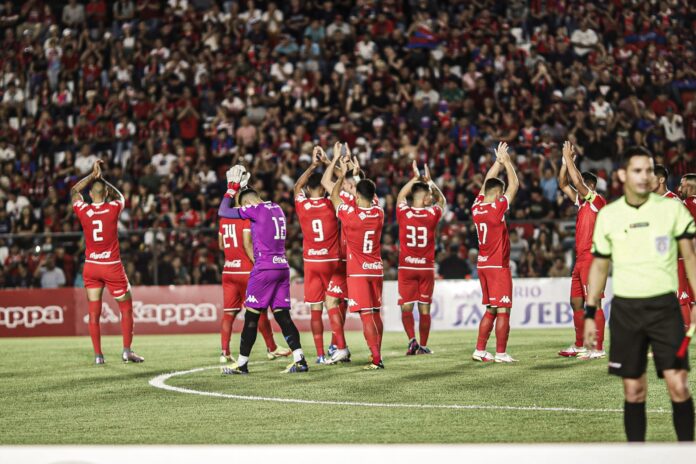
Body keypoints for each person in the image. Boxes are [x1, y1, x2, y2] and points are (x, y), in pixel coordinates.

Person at [585, 146, 695, 442]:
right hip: (626, 312)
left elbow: (691, 256)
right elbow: (598, 267)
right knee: (634, 391)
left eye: (648, 170)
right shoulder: (609, 215)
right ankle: (637, 456)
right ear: (622, 175)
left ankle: (688, 454)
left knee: (679, 385)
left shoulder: (672, 209)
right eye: (637, 170)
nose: (644, 176)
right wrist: (589, 313)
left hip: (664, 308)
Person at [217, 166, 307, 374]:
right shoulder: (276, 207)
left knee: (251, 317)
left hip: (264, 268)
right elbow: (253, 200)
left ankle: (241, 363)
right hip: (282, 266)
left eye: (243, 205)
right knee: (282, 315)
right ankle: (299, 359)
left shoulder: (253, 209)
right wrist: (245, 187)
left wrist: (231, 190)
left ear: (247, 204)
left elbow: (223, 211)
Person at [71, 160, 143, 365]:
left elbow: (74, 191)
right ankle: (127, 351)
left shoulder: (83, 210)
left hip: (91, 266)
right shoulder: (113, 208)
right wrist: (102, 179)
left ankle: (98, 356)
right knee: (126, 308)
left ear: (91, 195)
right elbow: (120, 196)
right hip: (111, 267)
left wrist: (92, 177)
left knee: (94, 313)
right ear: (104, 193)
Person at [218, 194, 291, 364]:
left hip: (229, 270)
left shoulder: (224, 220)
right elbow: (247, 243)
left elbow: (221, 245)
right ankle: (271, 348)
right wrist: (257, 262)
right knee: (258, 311)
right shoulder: (248, 215)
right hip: (246, 270)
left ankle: (224, 352)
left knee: (229, 313)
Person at [330, 157, 385, 370]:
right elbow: (372, 196)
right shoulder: (379, 213)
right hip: (376, 269)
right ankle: (378, 353)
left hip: (358, 272)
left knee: (366, 315)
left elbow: (334, 195)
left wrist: (344, 175)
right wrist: (357, 175)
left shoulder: (350, 215)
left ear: (357, 194)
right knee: (376, 312)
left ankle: (376, 358)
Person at [557, 141, 608, 360]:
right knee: (576, 302)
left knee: (592, 303)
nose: (577, 191)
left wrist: (569, 158)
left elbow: (575, 181)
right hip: (580, 259)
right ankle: (580, 345)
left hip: (593, 259)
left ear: (589, 187)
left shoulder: (597, 200)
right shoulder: (582, 203)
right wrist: (563, 163)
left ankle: (597, 348)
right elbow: (563, 184)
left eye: (581, 188)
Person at [471, 142, 519, 363]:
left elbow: (486, 184)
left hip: (482, 265)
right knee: (503, 310)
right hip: (498, 265)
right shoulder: (496, 208)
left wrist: (496, 163)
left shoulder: (476, 206)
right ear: (497, 194)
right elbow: (514, 185)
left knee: (491, 308)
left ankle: (480, 350)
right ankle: (500, 353)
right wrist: (507, 163)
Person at [294, 147, 343, 364]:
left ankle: (321, 355)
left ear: (308, 189)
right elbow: (345, 181)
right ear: (323, 189)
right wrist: (328, 161)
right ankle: (337, 345)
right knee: (334, 304)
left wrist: (313, 165)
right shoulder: (331, 202)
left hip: (311, 262)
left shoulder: (302, 204)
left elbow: (296, 186)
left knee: (316, 309)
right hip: (332, 261)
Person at [320, 142, 366, 364]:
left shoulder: (346, 200)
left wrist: (336, 158)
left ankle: (341, 347)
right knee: (345, 304)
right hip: (363, 262)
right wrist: (342, 165)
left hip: (344, 260)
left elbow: (327, 182)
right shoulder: (371, 202)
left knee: (331, 301)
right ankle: (338, 344)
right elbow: (344, 180)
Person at [395, 161, 446, 355]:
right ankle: (422, 346)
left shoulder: (404, 213)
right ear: (424, 199)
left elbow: (401, 196)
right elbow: (442, 202)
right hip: (425, 268)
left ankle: (412, 341)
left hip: (406, 267)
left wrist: (414, 179)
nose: (432, 199)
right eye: (429, 197)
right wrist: (431, 182)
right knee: (424, 308)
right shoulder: (432, 213)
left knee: (406, 306)